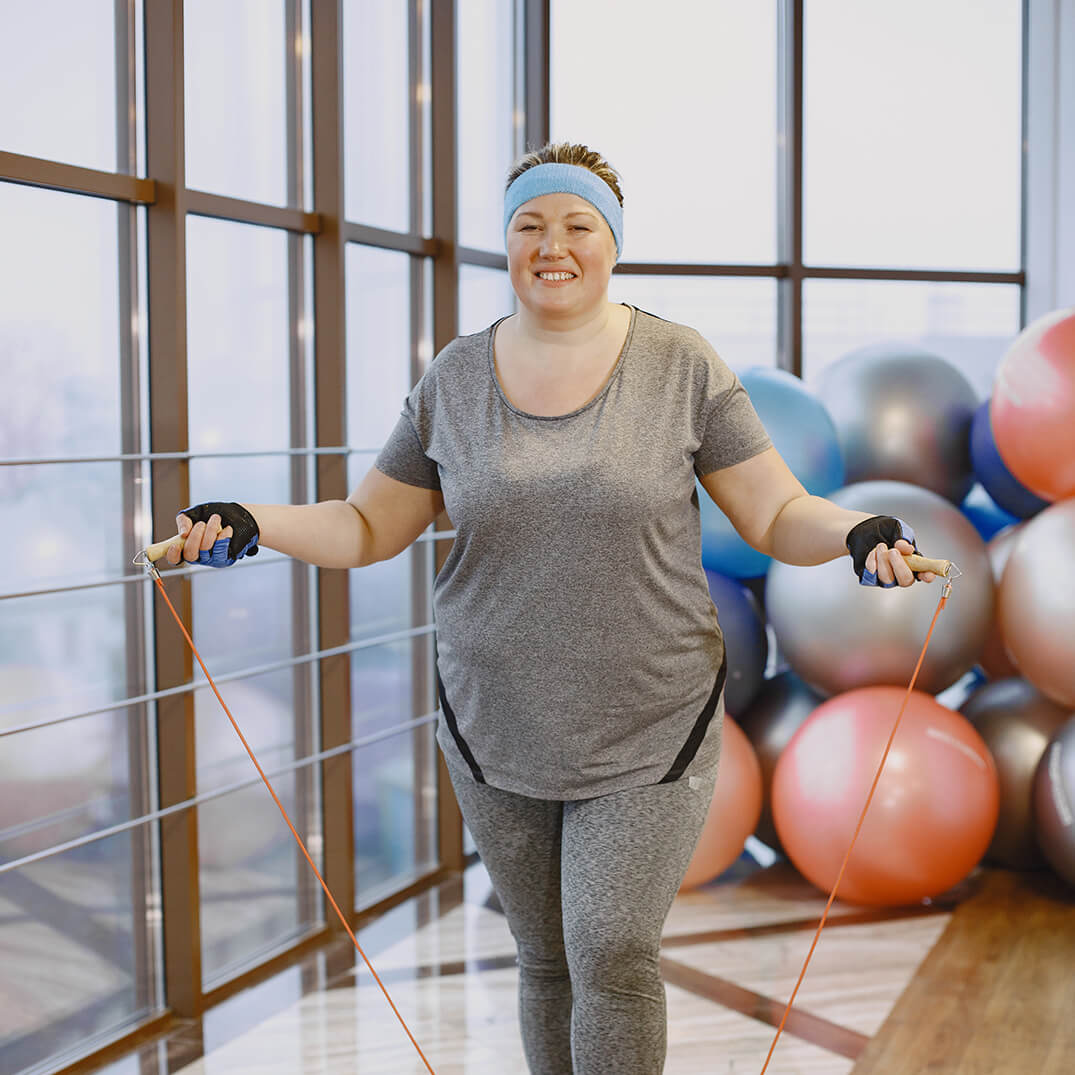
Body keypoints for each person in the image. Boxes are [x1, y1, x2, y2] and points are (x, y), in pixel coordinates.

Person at [166, 143, 935, 1075]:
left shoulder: (680, 365)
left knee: (610, 951)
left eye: (577, 224)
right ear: (507, 242)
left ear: (612, 242)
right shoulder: (454, 379)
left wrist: (854, 531)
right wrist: (255, 520)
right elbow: (367, 524)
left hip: (648, 720)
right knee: (544, 959)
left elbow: (774, 512)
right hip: (493, 722)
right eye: (529, 225)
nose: (551, 244)